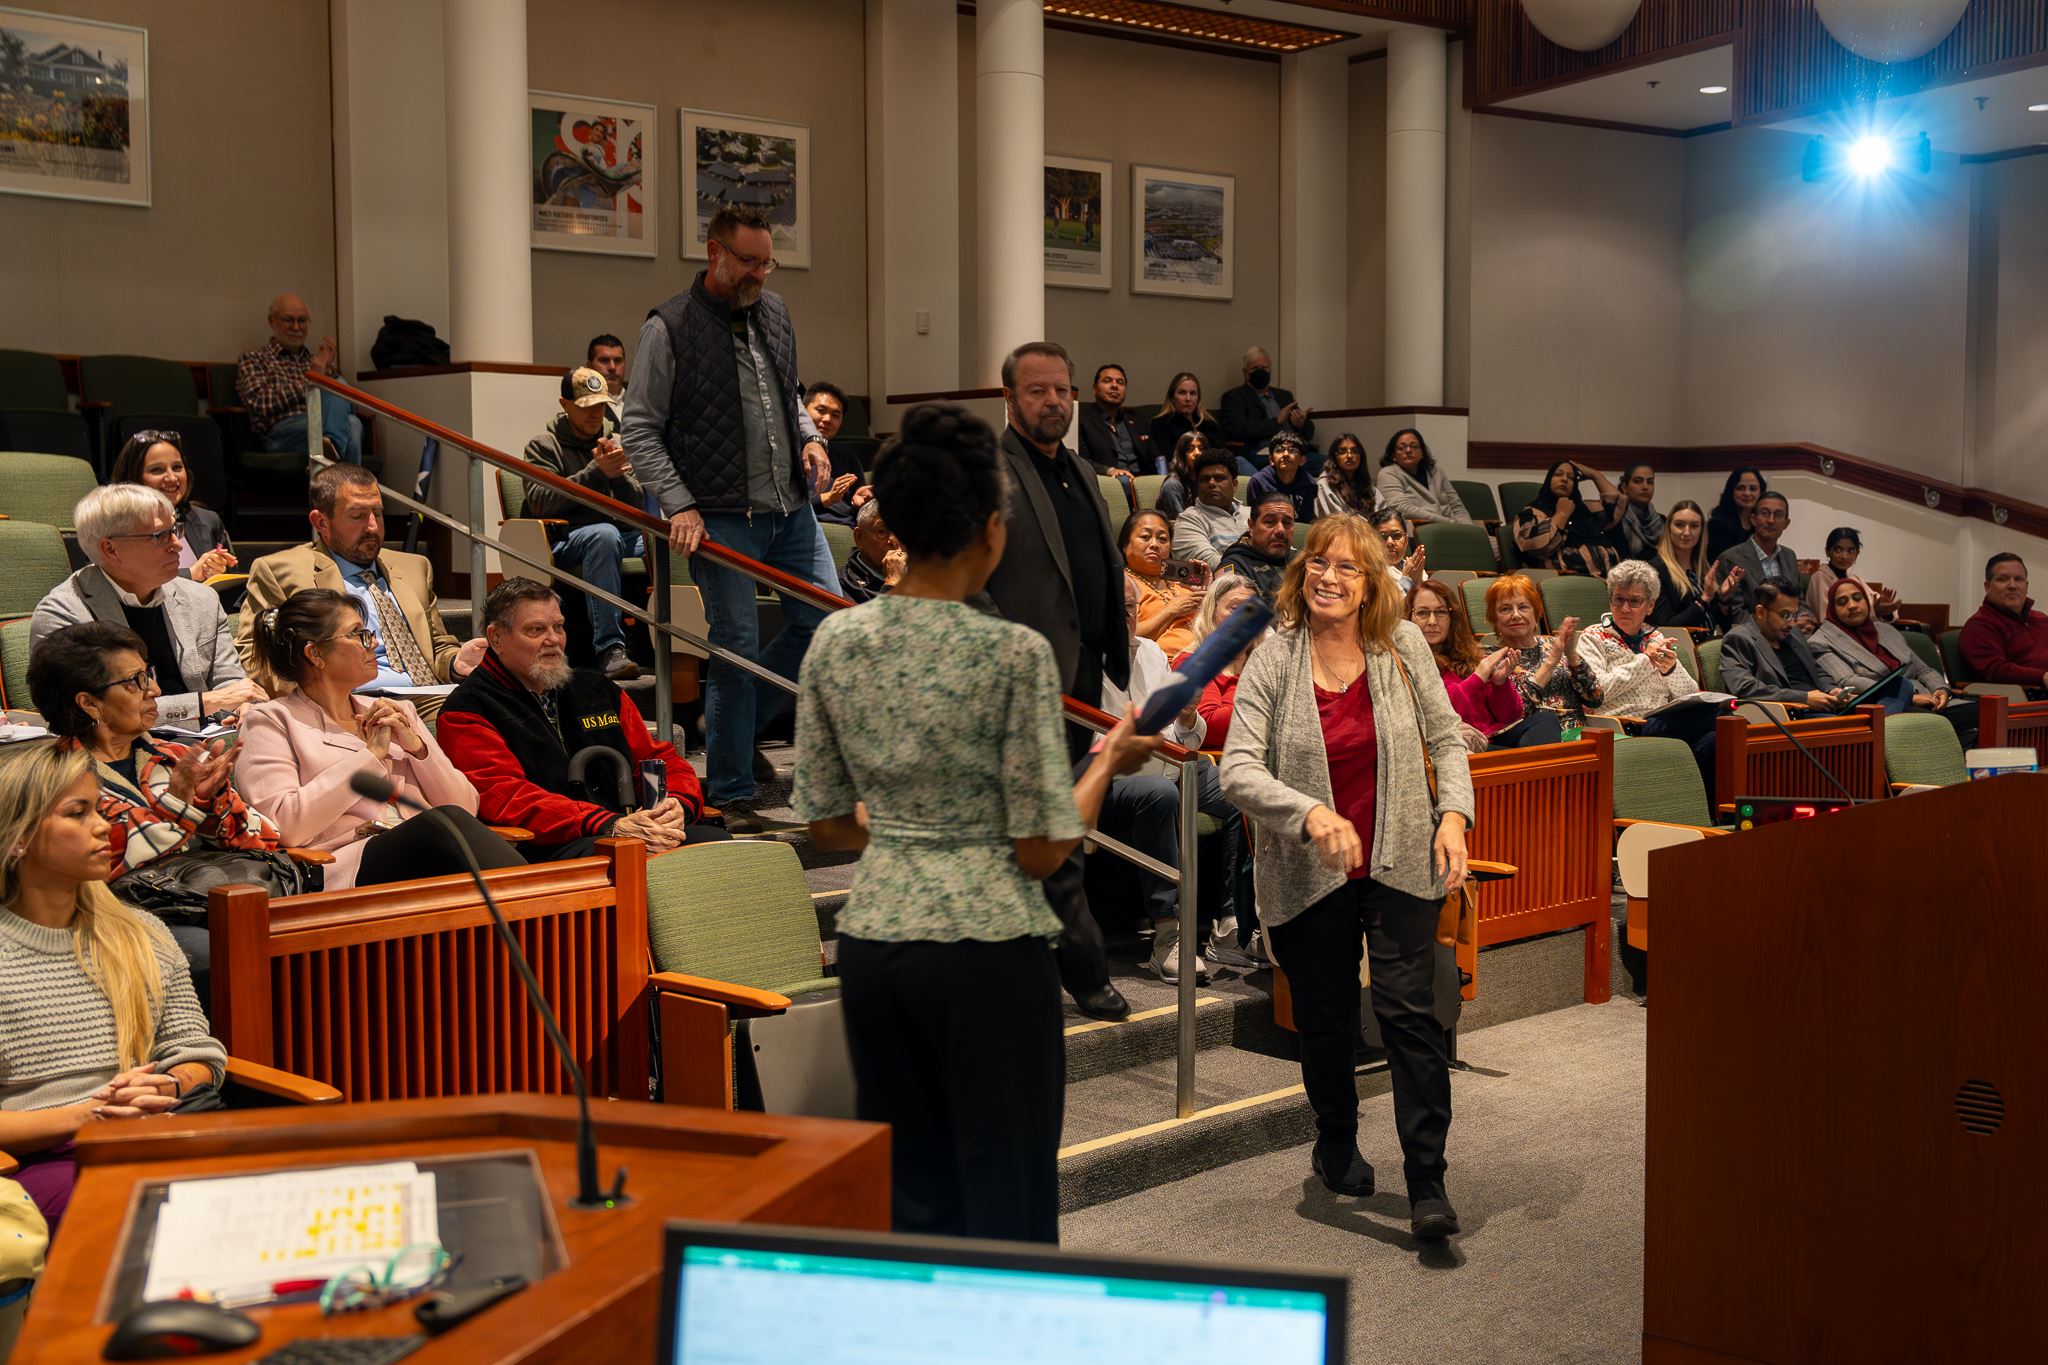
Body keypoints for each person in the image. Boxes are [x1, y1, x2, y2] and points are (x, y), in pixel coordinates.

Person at [791, 403, 1159, 1243]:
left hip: (878, 942)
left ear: (894, 530)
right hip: (988, 951)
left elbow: (825, 824)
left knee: (910, 1197)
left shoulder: (836, 645)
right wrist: (1107, 758)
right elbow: (1043, 849)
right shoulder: (1012, 654)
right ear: (991, 531)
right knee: (1008, 1201)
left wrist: (915, 822)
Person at [1220, 514, 1474, 1240]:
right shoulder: (1274, 658)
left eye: (1348, 567)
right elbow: (1237, 768)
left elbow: (1447, 738)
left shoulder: (1402, 649)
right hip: (1307, 866)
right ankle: (1335, 1136)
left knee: (1409, 1016)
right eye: (1319, 564)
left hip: (1398, 854)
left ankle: (1427, 1178)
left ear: (1371, 584)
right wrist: (1308, 814)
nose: (1330, 576)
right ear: (1303, 574)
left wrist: (1453, 814)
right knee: (1325, 1017)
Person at [621, 204, 837, 832]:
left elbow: (787, 396)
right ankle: (734, 786)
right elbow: (639, 429)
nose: (760, 273)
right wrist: (679, 503)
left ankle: (735, 732)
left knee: (825, 624)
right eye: (748, 261)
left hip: (791, 507)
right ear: (714, 252)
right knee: (735, 648)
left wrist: (809, 438)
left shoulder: (774, 311)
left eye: (767, 261)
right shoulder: (669, 326)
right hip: (720, 517)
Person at [0, 739, 227, 1228]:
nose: (104, 826)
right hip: (36, 1160)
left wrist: (169, 1082)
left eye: (98, 809)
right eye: (77, 813)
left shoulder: (140, 931)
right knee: (153, 1213)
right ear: (17, 837)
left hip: (158, 1128)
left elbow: (196, 1050)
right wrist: (90, 1115)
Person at [978, 342, 1135, 1023]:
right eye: (1038, 391)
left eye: (1062, 391)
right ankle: (1086, 970)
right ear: (1008, 398)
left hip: (1082, 676)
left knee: (1067, 825)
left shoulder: (1080, 468)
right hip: (1020, 680)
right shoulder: (991, 471)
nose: (1054, 402)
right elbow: (971, 577)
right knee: (1057, 829)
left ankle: (1047, 956)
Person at [26, 622, 285, 985]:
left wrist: (214, 803)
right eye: (135, 682)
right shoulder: (54, 778)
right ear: (88, 703)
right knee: (220, 954)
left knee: (320, 937)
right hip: (113, 918)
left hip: (212, 900)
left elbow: (266, 839)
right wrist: (183, 810)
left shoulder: (174, 756)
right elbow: (107, 863)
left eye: (148, 675)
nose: (156, 691)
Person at [236, 589, 525, 891]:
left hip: (428, 856)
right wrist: (371, 756)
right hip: (343, 866)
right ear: (315, 654)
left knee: (449, 832)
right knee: (441, 828)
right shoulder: (271, 721)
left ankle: (537, 911)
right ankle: (540, 909)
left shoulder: (397, 713)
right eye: (357, 634)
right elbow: (286, 825)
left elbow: (466, 808)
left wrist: (418, 749)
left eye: (368, 633)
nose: (372, 643)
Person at [437, 580, 727, 862]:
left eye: (558, 627)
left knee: (718, 848)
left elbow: (655, 760)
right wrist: (606, 824)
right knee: (634, 860)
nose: (553, 640)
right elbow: (508, 797)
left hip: (626, 830)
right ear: (496, 637)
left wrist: (675, 805)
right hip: (548, 845)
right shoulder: (467, 709)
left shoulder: (598, 689)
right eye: (536, 630)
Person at [237, 463, 483, 721]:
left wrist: (456, 663)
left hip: (431, 697)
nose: (373, 527)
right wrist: (318, 702)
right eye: (357, 516)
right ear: (321, 522)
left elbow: (436, 647)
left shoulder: (414, 567)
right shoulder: (281, 571)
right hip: (348, 703)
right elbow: (256, 655)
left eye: (377, 513)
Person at [1098, 574, 1244, 981]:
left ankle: (1237, 920)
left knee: (1242, 784)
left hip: (1172, 763)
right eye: (1115, 608)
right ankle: (1168, 936)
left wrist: (1186, 715)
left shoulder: (1151, 653)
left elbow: (1187, 737)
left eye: (1130, 608)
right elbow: (1093, 742)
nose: (1125, 617)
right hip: (1116, 777)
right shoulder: (1080, 658)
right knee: (1159, 792)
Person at [32, 486, 262, 731]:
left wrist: (242, 707)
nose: (178, 545)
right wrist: (206, 702)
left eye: (175, 530)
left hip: (208, 740)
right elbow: (91, 714)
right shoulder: (64, 615)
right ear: (110, 549)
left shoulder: (201, 599)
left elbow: (231, 684)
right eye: (159, 536)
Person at [521, 367, 646, 680]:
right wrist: (596, 471)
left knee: (667, 543)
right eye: (587, 406)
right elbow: (539, 501)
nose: (595, 414)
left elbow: (636, 504)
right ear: (565, 404)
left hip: (616, 536)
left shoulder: (613, 440)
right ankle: (610, 649)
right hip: (562, 542)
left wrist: (617, 476)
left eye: (601, 406)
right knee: (604, 535)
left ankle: (666, 644)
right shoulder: (543, 445)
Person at [1577, 562, 1716, 777]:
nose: (1624, 608)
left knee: (1714, 739)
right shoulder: (1592, 637)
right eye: (1619, 599)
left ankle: (1705, 807)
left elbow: (1689, 693)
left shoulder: (1655, 637)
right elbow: (1597, 692)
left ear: (1650, 606)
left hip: (1664, 721)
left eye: (1634, 601)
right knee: (1717, 717)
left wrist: (1671, 670)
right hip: (1628, 726)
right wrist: (1645, 660)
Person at [1812, 576, 1975, 739]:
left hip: (1930, 699)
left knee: (1980, 712)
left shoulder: (1885, 630)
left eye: (1857, 598)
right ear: (1832, 609)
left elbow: (1923, 670)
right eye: (1842, 602)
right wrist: (1909, 696)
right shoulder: (1821, 641)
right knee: (1940, 724)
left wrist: (1940, 689)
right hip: (1884, 706)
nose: (1852, 605)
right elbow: (1848, 680)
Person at [1406, 580, 1556, 749]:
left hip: (1493, 736)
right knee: (1515, 757)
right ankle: (1532, 771)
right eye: (1423, 613)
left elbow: (1510, 716)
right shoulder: (1408, 662)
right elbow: (1439, 715)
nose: (1432, 621)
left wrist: (1500, 684)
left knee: (1546, 719)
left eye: (1441, 612)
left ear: (1451, 618)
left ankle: (1531, 770)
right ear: (1409, 618)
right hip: (1459, 742)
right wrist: (1477, 678)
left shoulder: (1468, 655)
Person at [235, 292, 363, 464]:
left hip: (322, 423)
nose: (296, 327)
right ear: (271, 321)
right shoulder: (253, 358)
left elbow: (350, 407)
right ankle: (347, 483)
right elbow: (260, 404)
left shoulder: (314, 362)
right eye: (288, 320)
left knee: (352, 419)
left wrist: (329, 374)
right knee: (351, 426)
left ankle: (330, 453)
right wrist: (312, 381)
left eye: (302, 321)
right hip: (282, 433)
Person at [107, 431, 235, 583]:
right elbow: (120, 582)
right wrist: (191, 574)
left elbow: (236, 584)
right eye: (157, 470)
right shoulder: (115, 526)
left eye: (177, 467)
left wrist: (220, 569)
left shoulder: (208, 520)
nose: (172, 478)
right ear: (133, 478)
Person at [1488, 574, 1602, 731]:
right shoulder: (1489, 660)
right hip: (1535, 740)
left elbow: (1595, 698)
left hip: (1580, 735)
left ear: (1536, 614)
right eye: (1505, 609)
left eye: (1523, 607)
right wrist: (1551, 662)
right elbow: (1516, 714)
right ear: (1493, 618)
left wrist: (1571, 656)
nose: (1515, 615)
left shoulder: (1554, 644)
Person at [1720, 582, 1851, 711]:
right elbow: (1744, 688)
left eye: (1795, 615)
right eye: (1785, 615)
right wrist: (1803, 698)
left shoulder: (1794, 634)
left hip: (1822, 708)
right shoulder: (1739, 638)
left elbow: (1816, 670)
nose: (1792, 624)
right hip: (1788, 715)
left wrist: (1831, 689)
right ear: (1760, 612)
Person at [1191, 574, 1264, 749]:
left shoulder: (1265, 663)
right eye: (1235, 608)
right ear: (1212, 612)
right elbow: (1208, 726)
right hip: (1221, 765)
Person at [1513, 460, 1620, 577]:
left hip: (1609, 580)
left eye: (1571, 477)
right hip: (1566, 581)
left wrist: (1594, 474)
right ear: (1548, 480)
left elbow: (1617, 503)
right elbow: (1537, 546)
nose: (1564, 479)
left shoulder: (1583, 509)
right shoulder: (1531, 512)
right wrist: (1562, 514)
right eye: (1558, 474)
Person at [1960, 555, 2048, 697]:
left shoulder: (2041, 619)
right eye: (2002, 579)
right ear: (1987, 587)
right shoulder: (1979, 626)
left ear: (2026, 586)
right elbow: (1996, 670)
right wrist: (2042, 676)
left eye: (2018, 579)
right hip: (2023, 699)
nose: (2012, 585)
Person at [1649, 499, 1741, 631]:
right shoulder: (1655, 570)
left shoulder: (1703, 570)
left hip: (1710, 645)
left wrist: (1723, 599)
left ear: (1701, 530)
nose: (1686, 532)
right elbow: (1665, 627)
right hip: (1678, 648)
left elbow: (1723, 625)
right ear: (1669, 528)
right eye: (1679, 525)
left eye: (1694, 526)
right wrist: (1704, 600)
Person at [1121, 510, 1201, 659]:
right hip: (1166, 667)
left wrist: (1207, 595)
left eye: (1162, 539)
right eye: (1145, 537)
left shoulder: (1182, 578)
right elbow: (1126, 638)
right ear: (1125, 545)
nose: (1155, 544)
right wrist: (1170, 611)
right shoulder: (1123, 583)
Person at [1218, 346, 1313, 468]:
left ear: (1270, 370)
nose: (1260, 371)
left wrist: (1301, 424)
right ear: (1245, 372)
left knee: (1328, 461)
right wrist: (1277, 421)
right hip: (1262, 452)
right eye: (1254, 368)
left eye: (1264, 368)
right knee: (1287, 464)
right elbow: (1239, 429)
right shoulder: (1234, 397)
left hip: (1296, 449)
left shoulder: (1284, 396)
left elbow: (1310, 432)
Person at [1714, 490, 1800, 607]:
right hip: (1748, 624)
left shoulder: (1789, 556)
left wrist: (1805, 619)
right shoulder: (1730, 558)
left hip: (1790, 623)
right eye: (1765, 513)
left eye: (1778, 515)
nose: (1771, 520)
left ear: (1786, 523)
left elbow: (1800, 601)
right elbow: (1734, 612)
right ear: (1753, 519)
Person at [806, 381, 874, 528]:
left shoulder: (848, 459)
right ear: (803, 412)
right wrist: (827, 498)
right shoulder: (786, 455)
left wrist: (860, 502)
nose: (827, 419)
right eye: (821, 410)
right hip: (809, 529)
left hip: (850, 532)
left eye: (835, 415)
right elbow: (781, 507)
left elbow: (859, 509)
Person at [1170, 447, 1248, 570]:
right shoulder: (1189, 520)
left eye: (1219, 478)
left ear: (1234, 485)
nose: (1211, 483)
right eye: (1204, 479)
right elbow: (1209, 564)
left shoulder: (1251, 514)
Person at [1375, 428, 1471, 525]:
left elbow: (1456, 505)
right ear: (1393, 455)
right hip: (1419, 530)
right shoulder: (1388, 474)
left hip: (1454, 527)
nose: (1408, 450)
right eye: (1401, 447)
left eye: (1414, 446)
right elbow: (1401, 508)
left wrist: (1469, 528)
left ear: (1422, 453)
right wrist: (1450, 523)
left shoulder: (1436, 472)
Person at [1804, 527, 1900, 623]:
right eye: (1838, 550)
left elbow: (1878, 604)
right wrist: (1874, 611)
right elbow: (1826, 618)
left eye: (1851, 551)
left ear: (1857, 554)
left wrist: (1884, 610)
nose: (1844, 556)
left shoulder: (1855, 579)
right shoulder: (1819, 577)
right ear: (1827, 551)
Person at [1076, 362, 1154, 479]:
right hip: (1111, 480)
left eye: (1120, 382)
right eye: (1107, 381)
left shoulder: (1137, 420)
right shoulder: (1082, 420)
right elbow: (1080, 460)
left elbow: (1155, 456)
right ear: (1094, 389)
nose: (1115, 386)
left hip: (1143, 481)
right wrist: (1108, 470)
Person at [1218, 493, 1299, 603]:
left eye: (1287, 522)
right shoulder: (1234, 566)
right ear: (1251, 526)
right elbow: (1236, 617)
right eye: (1270, 522)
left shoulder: (1301, 560)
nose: (1280, 530)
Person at [1147, 372, 1228, 477]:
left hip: (1214, 473)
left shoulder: (1209, 424)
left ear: (1198, 398)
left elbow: (1222, 455)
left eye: (1193, 393)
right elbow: (1169, 458)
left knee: (1239, 461)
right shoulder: (1161, 423)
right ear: (1172, 397)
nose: (1188, 399)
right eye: (1182, 393)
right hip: (1181, 474)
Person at [839, 500, 904, 604]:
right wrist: (892, 583)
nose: (894, 540)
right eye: (882, 531)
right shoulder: (844, 586)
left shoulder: (919, 571)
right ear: (859, 538)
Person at [1245, 432, 1318, 525]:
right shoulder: (1258, 482)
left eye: (1293, 450)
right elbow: (1255, 520)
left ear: (1302, 460)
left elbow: (1307, 522)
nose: (1286, 454)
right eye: (1280, 450)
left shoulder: (1309, 484)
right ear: (1271, 459)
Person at [1705, 467, 1767, 564]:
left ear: (1761, 492)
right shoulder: (1718, 525)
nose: (1747, 493)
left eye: (1753, 488)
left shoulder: (1761, 524)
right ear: (1731, 491)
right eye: (1740, 488)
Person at [1606, 462, 1664, 560]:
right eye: (1638, 481)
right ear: (1624, 487)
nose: (1645, 487)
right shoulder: (1613, 520)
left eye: (1650, 481)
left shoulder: (1663, 522)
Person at [1316, 432, 1375, 519]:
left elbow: (1382, 514)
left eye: (1354, 451)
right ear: (1335, 457)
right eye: (1342, 451)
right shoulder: (1324, 485)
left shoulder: (1367, 486)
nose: (1349, 455)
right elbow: (1337, 522)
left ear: (1361, 456)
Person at [1154, 430, 1210, 519]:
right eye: (1190, 449)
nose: (1197, 453)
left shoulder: (1206, 480)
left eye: (1201, 448)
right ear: (1182, 454)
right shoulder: (1172, 485)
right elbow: (1181, 522)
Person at [1374, 508, 1428, 594]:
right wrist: (1407, 579)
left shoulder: (1415, 568)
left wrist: (1418, 582)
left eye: (1396, 535)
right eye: (1382, 537)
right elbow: (1390, 606)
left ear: (1406, 540)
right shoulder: (1370, 573)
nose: (1390, 542)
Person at [586, 332, 628, 417]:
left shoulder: (641, 400)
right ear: (589, 367)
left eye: (618, 360)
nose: (612, 367)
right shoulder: (583, 405)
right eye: (604, 360)